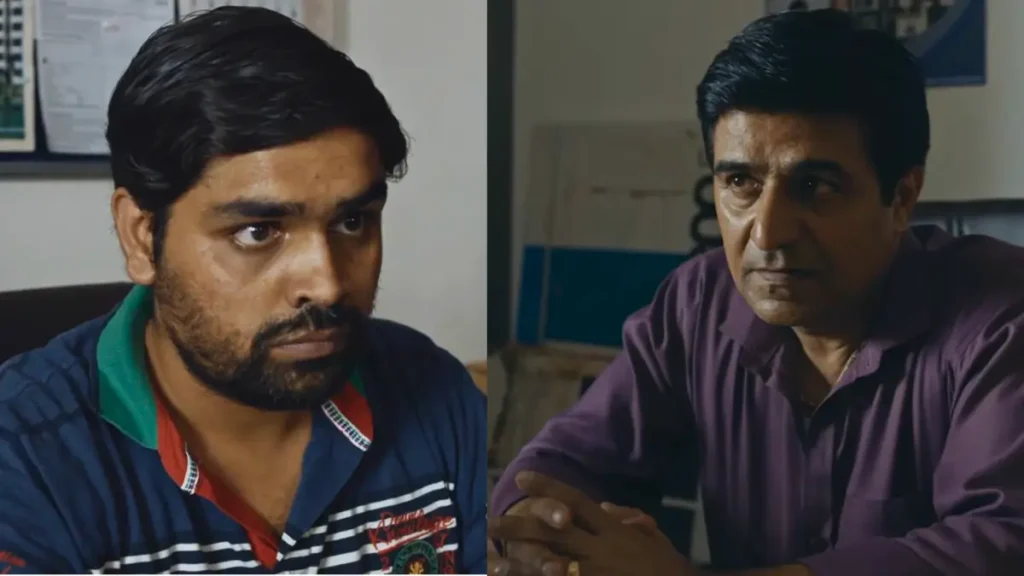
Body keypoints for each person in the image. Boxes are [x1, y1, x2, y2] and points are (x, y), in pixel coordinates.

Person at [489, 9, 1024, 576]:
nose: (766, 234)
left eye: (814, 186)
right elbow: (562, 461)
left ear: (902, 197)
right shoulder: (700, 301)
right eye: (740, 183)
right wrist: (538, 530)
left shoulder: (1000, 317)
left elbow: (999, 543)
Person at [0, 7, 486, 574]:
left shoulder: (434, 392)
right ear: (141, 236)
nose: (326, 284)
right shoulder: (23, 456)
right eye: (258, 232)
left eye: (353, 222)